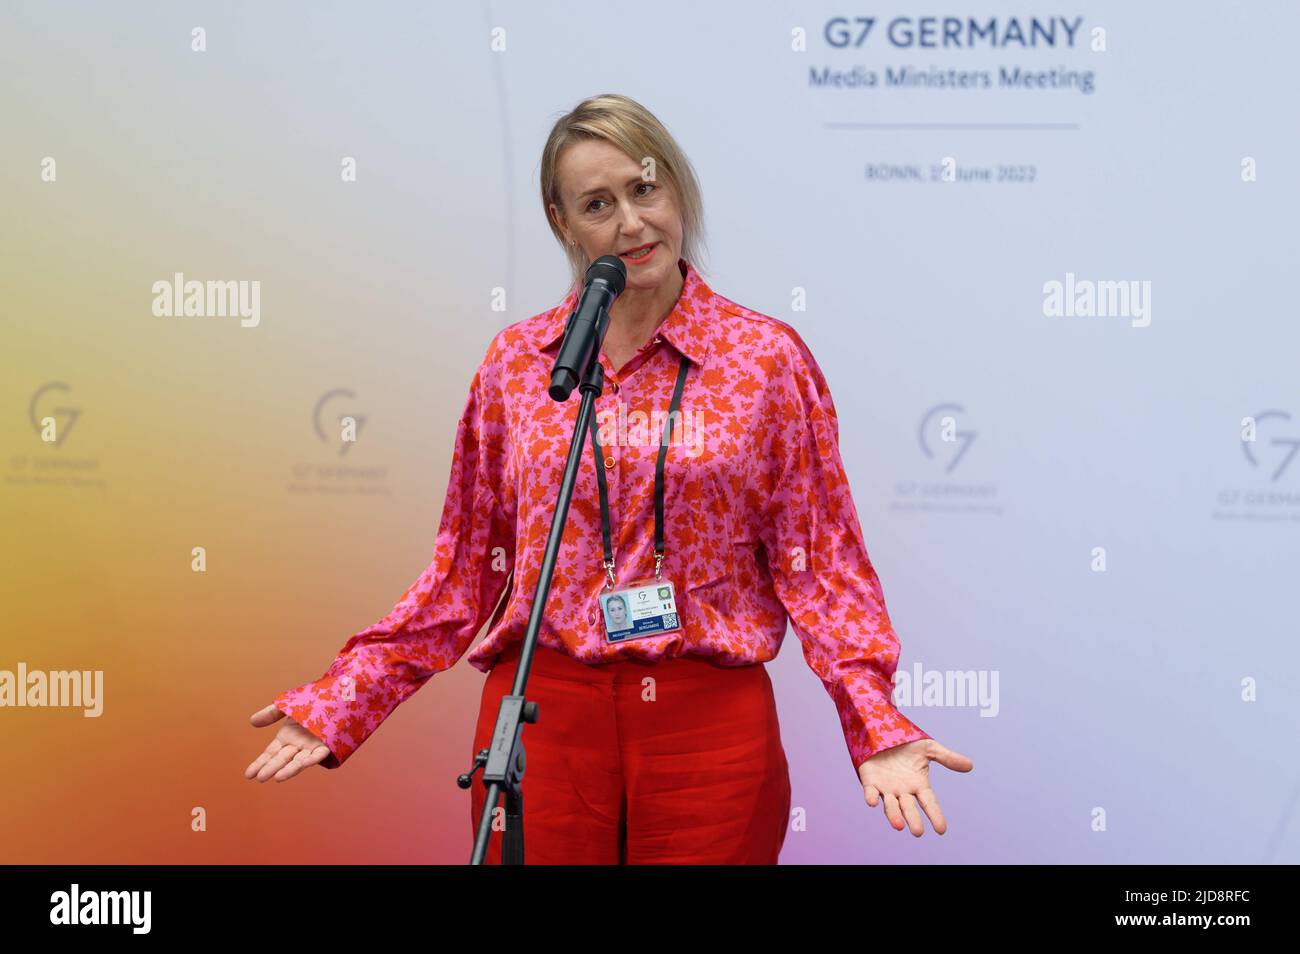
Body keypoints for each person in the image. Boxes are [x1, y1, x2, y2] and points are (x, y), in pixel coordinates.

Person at [245, 93, 973, 862]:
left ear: (677, 190)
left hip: (709, 734)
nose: (631, 223)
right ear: (564, 224)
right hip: (543, 721)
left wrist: (877, 725)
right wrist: (344, 698)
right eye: (598, 204)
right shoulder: (519, 365)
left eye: (645, 189)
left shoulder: (765, 360)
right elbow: (462, 574)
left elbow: (822, 565)